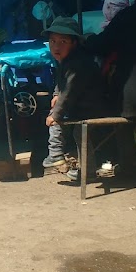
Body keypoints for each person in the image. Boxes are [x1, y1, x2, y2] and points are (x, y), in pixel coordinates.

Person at [42, 17, 104, 175]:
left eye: (63, 41)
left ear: (74, 43)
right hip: (82, 105)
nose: (56, 46)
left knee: (56, 118)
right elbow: (62, 83)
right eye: (53, 41)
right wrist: (57, 94)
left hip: (92, 107)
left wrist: (56, 114)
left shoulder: (78, 63)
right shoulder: (67, 60)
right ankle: (88, 172)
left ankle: (55, 154)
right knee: (76, 130)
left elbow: (70, 91)